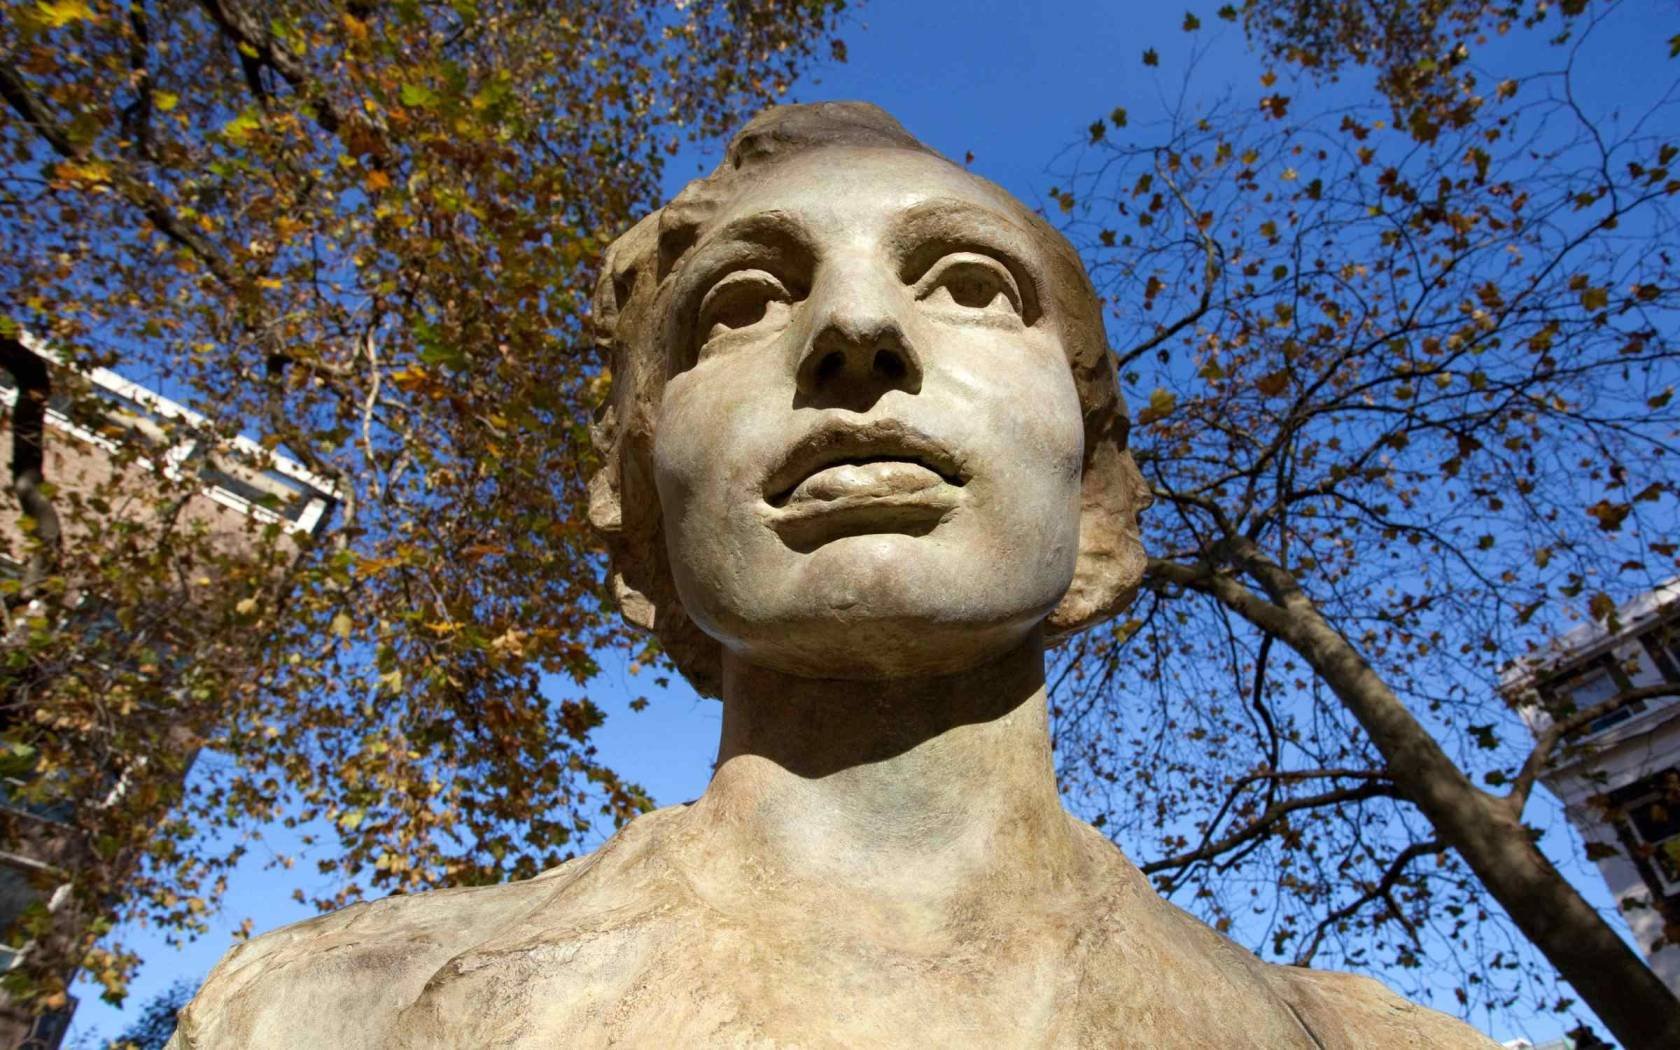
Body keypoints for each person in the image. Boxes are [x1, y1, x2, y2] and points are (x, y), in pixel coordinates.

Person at [169, 102, 1496, 1048]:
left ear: (1099, 500)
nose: (856, 331)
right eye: (743, 303)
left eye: (971, 286)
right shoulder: (315, 1014)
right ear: (640, 510)